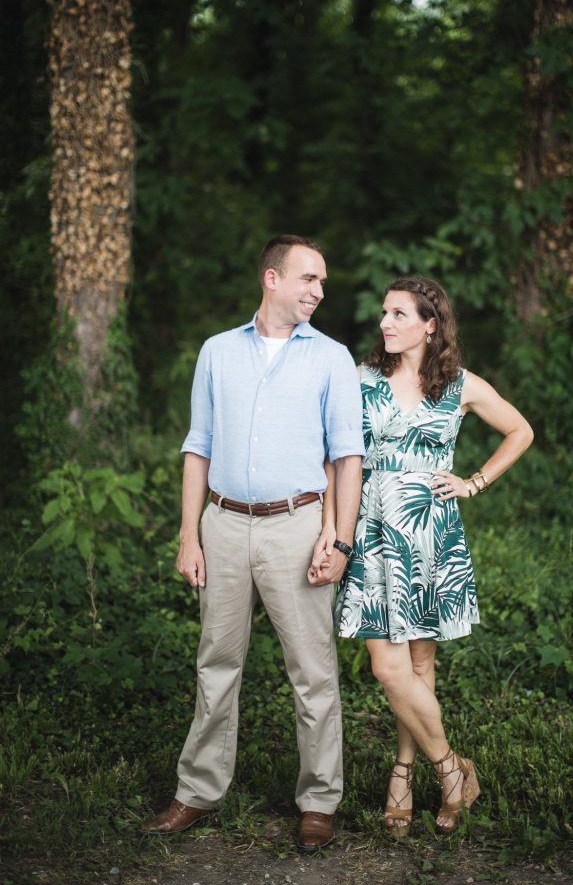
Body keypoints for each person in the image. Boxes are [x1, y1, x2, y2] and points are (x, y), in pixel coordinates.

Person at [141, 235, 364, 852]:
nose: (318, 291)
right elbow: (197, 447)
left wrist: (339, 540)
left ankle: (319, 801)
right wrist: (189, 535)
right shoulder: (217, 352)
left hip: (297, 526)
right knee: (216, 663)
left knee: (312, 672)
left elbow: (349, 459)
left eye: (322, 282)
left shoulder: (332, 358)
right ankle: (197, 791)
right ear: (272, 278)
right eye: (308, 278)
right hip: (223, 523)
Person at [312, 276, 533, 838]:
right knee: (388, 667)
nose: (385, 323)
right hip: (370, 528)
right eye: (384, 313)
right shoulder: (359, 380)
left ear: (430, 324)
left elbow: (520, 430)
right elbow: (334, 461)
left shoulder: (458, 385)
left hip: (430, 532)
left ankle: (403, 773)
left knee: (418, 667)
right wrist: (331, 529)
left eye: (399, 314)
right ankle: (453, 769)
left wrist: (474, 482)